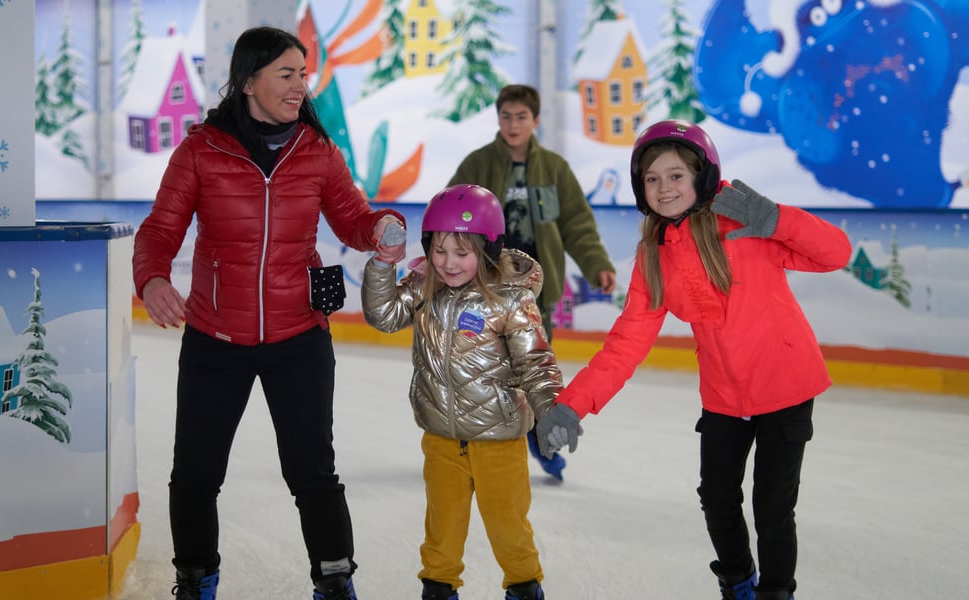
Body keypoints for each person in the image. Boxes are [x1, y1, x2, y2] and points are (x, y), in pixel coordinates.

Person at [132, 26, 406, 600]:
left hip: (298, 336)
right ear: (248, 80)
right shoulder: (201, 151)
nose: (300, 85)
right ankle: (195, 578)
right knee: (196, 472)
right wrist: (153, 278)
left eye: (303, 74)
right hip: (215, 337)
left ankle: (334, 578)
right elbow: (160, 229)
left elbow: (353, 219)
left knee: (312, 470)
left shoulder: (318, 151)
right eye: (286, 74)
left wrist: (381, 227)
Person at [535, 119, 851, 600]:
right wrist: (571, 405)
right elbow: (626, 343)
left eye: (676, 175)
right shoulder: (654, 255)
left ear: (702, 176)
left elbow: (836, 253)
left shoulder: (746, 223)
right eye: (652, 178)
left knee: (772, 507)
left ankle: (776, 593)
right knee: (717, 499)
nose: (664, 188)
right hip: (725, 396)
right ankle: (738, 582)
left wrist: (777, 219)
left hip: (785, 387)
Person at [361, 184, 564, 600]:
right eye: (439, 250)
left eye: (461, 252)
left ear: (487, 250)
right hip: (441, 437)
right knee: (442, 526)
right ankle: (438, 588)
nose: (448, 263)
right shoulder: (425, 285)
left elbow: (536, 363)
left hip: (498, 440)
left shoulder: (510, 300)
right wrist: (382, 265)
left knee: (508, 526)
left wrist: (552, 411)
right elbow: (384, 315)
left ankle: (524, 587)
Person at [447, 83, 618, 481]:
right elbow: (451, 214)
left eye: (521, 117)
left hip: (534, 292)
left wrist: (596, 265)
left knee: (534, 371)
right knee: (482, 367)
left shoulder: (554, 169)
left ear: (535, 120)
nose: (513, 124)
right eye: (506, 116)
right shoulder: (478, 164)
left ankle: (540, 440)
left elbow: (577, 224)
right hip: (487, 288)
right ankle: (471, 443)